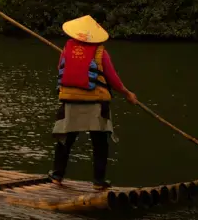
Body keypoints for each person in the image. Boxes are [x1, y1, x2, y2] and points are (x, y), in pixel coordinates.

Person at [50, 14, 138, 188]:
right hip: (96, 103)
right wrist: (127, 94)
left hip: (70, 102)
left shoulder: (67, 50)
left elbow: (60, 69)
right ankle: (98, 181)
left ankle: (57, 176)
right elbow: (112, 78)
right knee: (100, 144)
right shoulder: (100, 52)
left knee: (65, 141)